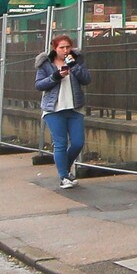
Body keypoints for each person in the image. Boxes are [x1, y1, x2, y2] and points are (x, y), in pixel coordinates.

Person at [34, 34, 91, 189]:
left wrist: (74, 67)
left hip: (74, 108)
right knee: (60, 143)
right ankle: (64, 177)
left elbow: (86, 79)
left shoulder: (77, 60)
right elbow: (39, 85)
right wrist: (56, 76)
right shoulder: (46, 64)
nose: (65, 50)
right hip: (54, 109)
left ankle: (64, 168)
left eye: (68, 47)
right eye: (61, 47)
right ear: (55, 48)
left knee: (78, 142)